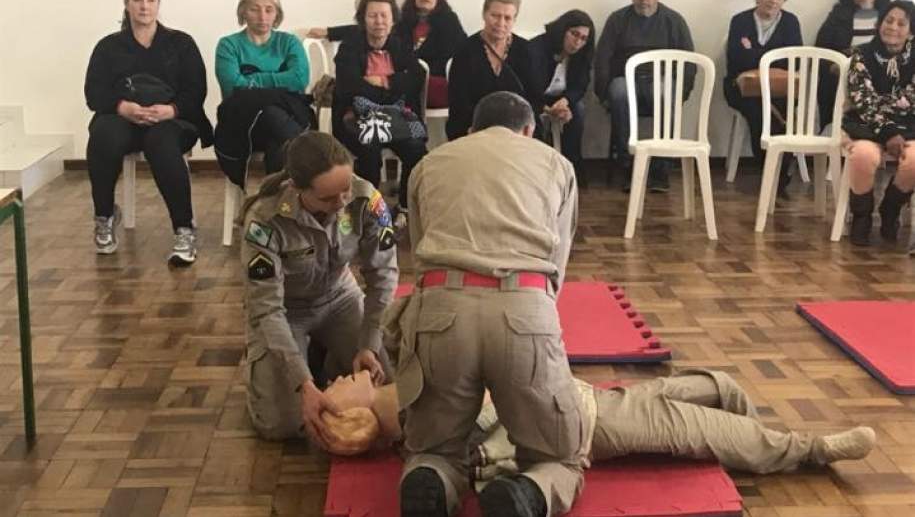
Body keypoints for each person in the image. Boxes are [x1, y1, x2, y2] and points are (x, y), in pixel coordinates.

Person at [396, 91, 581, 517]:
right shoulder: (556, 163)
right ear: (530, 131)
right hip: (525, 309)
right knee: (559, 457)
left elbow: (420, 255)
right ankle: (529, 492)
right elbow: (559, 259)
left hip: (442, 311)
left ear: (471, 130)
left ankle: (432, 476)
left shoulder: (429, 163)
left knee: (433, 448)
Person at [319, 370, 878, 483]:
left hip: (579, 394)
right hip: (586, 421)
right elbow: (489, 425)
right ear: (352, 414)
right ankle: (811, 449)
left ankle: (735, 402)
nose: (337, 378)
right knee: (695, 428)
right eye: (334, 389)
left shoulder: (397, 395)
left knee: (718, 386)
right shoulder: (413, 421)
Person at [239, 131, 398, 443]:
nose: (341, 202)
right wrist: (303, 384)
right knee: (282, 425)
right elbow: (267, 309)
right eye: (327, 198)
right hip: (287, 310)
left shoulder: (367, 199)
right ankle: (282, 370)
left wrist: (368, 343)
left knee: (385, 389)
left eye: (345, 189)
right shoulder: (264, 220)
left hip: (340, 296)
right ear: (298, 189)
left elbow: (383, 278)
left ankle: (328, 357)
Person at [84, 0, 213, 266]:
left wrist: (172, 110)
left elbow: (196, 91)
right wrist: (121, 107)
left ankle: (184, 229)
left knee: (161, 141)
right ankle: (104, 216)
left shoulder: (181, 43)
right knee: (104, 134)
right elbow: (94, 93)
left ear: (159, 4)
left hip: (172, 120)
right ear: (126, 4)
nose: (144, 6)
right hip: (124, 118)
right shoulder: (108, 47)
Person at [332, 0, 427, 224]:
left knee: (416, 149)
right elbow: (348, 85)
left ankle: (405, 207)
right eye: (373, 15)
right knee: (369, 148)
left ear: (393, 19)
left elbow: (416, 77)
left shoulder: (400, 46)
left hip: (395, 120)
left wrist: (384, 81)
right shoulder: (350, 47)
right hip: (355, 118)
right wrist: (391, 90)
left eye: (384, 15)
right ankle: (371, 210)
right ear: (363, 19)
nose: (379, 21)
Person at [594, 0, 695, 192]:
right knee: (619, 91)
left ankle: (660, 169)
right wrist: (602, 94)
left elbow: (689, 61)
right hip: (625, 81)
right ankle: (629, 165)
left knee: (665, 91)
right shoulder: (617, 20)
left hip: (660, 81)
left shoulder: (674, 21)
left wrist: (682, 93)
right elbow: (602, 58)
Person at [308, 0, 467, 109]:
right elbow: (368, 28)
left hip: (433, 78)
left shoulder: (449, 21)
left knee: (416, 84)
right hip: (400, 83)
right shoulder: (403, 20)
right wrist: (329, 32)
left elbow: (463, 52)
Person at [214, 0, 312, 187]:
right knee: (270, 113)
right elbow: (232, 86)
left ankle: (272, 206)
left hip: (288, 117)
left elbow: (299, 79)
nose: (263, 16)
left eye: (269, 10)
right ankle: (309, 162)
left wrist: (253, 81)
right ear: (243, 12)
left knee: (275, 137)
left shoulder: (289, 42)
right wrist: (279, 85)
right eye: (254, 9)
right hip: (244, 126)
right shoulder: (228, 45)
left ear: (277, 14)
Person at [842, 0, 915, 246]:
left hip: (908, 128)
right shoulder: (860, 54)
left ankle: (890, 209)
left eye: (901, 23)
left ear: (911, 31)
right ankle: (862, 215)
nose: (892, 27)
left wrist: (890, 108)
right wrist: (888, 130)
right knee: (863, 155)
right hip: (866, 126)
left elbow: (911, 100)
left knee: (914, 159)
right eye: (888, 20)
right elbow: (864, 102)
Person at [724, 0, 802, 197]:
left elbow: (793, 61)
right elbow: (736, 60)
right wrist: (769, 58)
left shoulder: (790, 22)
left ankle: (780, 173)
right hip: (744, 89)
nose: (773, 0)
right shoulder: (739, 21)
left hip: (781, 89)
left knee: (784, 116)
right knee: (759, 114)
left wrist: (754, 53)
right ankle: (769, 172)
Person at [446, 0, 540, 141]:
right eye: (495, 15)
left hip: (517, 131)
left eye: (508, 18)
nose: (500, 23)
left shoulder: (526, 50)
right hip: (473, 129)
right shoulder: (465, 50)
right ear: (484, 14)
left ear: (515, 19)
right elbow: (458, 103)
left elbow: (534, 99)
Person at [816, 0, 892, 131]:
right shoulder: (838, 15)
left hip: (887, 76)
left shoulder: (893, 13)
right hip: (846, 77)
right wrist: (835, 65)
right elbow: (820, 50)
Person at [529, 10, 596, 187]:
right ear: (563, 29)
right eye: (574, 34)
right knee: (530, 115)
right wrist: (546, 109)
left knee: (579, 110)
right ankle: (540, 170)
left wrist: (565, 102)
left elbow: (580, 85)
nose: (578, 42)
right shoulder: (537, 48)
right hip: (535, 98)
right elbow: (527, 86)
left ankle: (570, 165)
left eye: (583, 38)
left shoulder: (581, 55)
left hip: (561, 98)